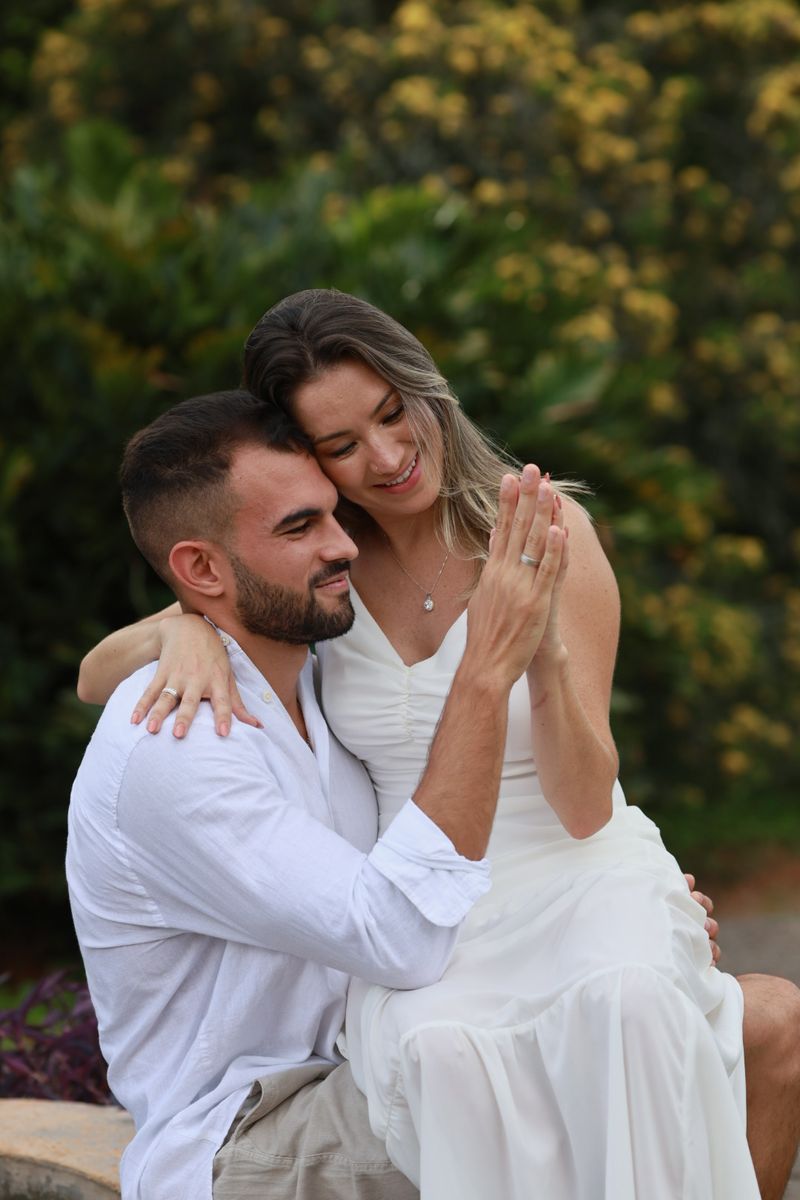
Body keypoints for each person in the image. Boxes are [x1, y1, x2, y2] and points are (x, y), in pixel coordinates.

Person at [78, 292, 800, 1199]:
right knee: (443, 1059)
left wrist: (539, 650)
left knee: (633, 1009)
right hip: (439, 907)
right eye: (342, 445)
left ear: (425, 389)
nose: (386, 457)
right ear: (312, 459)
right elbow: (100, 671)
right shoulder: (326, 573)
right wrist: (183, 628)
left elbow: (586, 805)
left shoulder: (538, 533)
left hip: (569, 867)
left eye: (392, 413)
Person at [69, 387, 574, 1200]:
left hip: (382, 1053)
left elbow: (433, 863)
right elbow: (400, 936)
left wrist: (607, 903)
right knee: (608, 1088)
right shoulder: (179, 741)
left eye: (335, 515)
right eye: (300, 527)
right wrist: (486, 670)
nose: (344, 546)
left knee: (755, 1028)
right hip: (251, 1132)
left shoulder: (318, 673)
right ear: (201, 569)